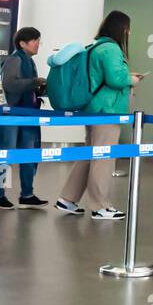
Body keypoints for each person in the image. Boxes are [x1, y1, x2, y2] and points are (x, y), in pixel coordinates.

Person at [56, 11, 139, 220]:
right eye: (128, 28)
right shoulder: (111, 49)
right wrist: (132, 79)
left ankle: (67, 198)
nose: (129, 32)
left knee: (88, 154)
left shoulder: (94, 46)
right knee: (104, 157)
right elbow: (116, 79)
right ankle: (101, 206)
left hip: (93, 108)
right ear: (122, 29)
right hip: (107, 110)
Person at [0, 27, 48, 210]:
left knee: (29, 153)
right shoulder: (15, 59)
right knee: (6, 153)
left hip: (27, 113)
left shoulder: (29, 61)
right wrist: (34, 82)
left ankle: (27, 194)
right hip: (11, 114)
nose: (38, 44)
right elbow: (10, 84)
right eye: (35, 40)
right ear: (23, 43)